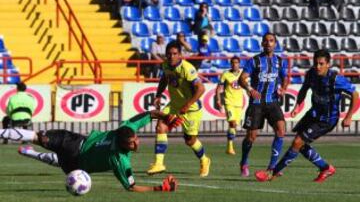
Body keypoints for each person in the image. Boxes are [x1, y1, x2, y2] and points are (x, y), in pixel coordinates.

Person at [0, 110, 180, 192]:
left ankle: (30, 153)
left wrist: (166, 116)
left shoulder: (125, 136)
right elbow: (132, 188)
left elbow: (131, 187)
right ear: (123, 143)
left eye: (136, 140)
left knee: (59, 161)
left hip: (75, 165)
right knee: (40, 138)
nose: (136, 144)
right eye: (132, 143)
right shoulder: (119, 155)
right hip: (75, 143)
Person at [255, 49, 359, 183]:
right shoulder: (311, 74)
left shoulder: (336, 79)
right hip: (313, 114)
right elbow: (304, 89)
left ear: (328, 64)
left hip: (327, 119)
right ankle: (325, 168)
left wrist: (349, 116)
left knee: (297, 142)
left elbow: (355, 95)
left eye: (321, 64)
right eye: (316, 63)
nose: (318, 67)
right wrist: (298, 105)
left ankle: (273, 173)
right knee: (300, 145)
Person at [147, 41, 211, 177]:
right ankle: (159, 163)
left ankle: (204, 159)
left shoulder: (187, 69)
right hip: (174, 105)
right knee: (160, 126)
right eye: (169, 54)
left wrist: (187, 105)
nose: (171, 56)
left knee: (190, 140)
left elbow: (201, 88)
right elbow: (164, 78)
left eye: (175, 54)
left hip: (191, 109)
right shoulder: (165, 65)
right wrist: (158, 94)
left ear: (180, 55)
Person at [238, 33, 289, 177]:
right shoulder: (254, 61)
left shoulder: (280, 61)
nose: (268, 43)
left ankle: (273, 166)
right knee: (251, 137)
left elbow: (285, 78)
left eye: (271, 41)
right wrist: (250, 89)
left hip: (272, 101)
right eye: (266, 41)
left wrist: (283, 89)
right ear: (262, 44)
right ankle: (244, 162)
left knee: (281, 130)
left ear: (275, 44)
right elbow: (241, 79)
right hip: (257, 103)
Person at [216, 56, 244, 155]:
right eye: (233, 62)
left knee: (234, 125)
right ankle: (230, 147)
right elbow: (219, 88)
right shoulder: (226, 74)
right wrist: (219, 100)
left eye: (236, 62)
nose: (234, 64)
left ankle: (229, 147)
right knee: (232, 123)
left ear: (239, 64)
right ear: (230, 64)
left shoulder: (243, 74)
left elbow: (247, 86)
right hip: (229, 103)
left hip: (239, 104)